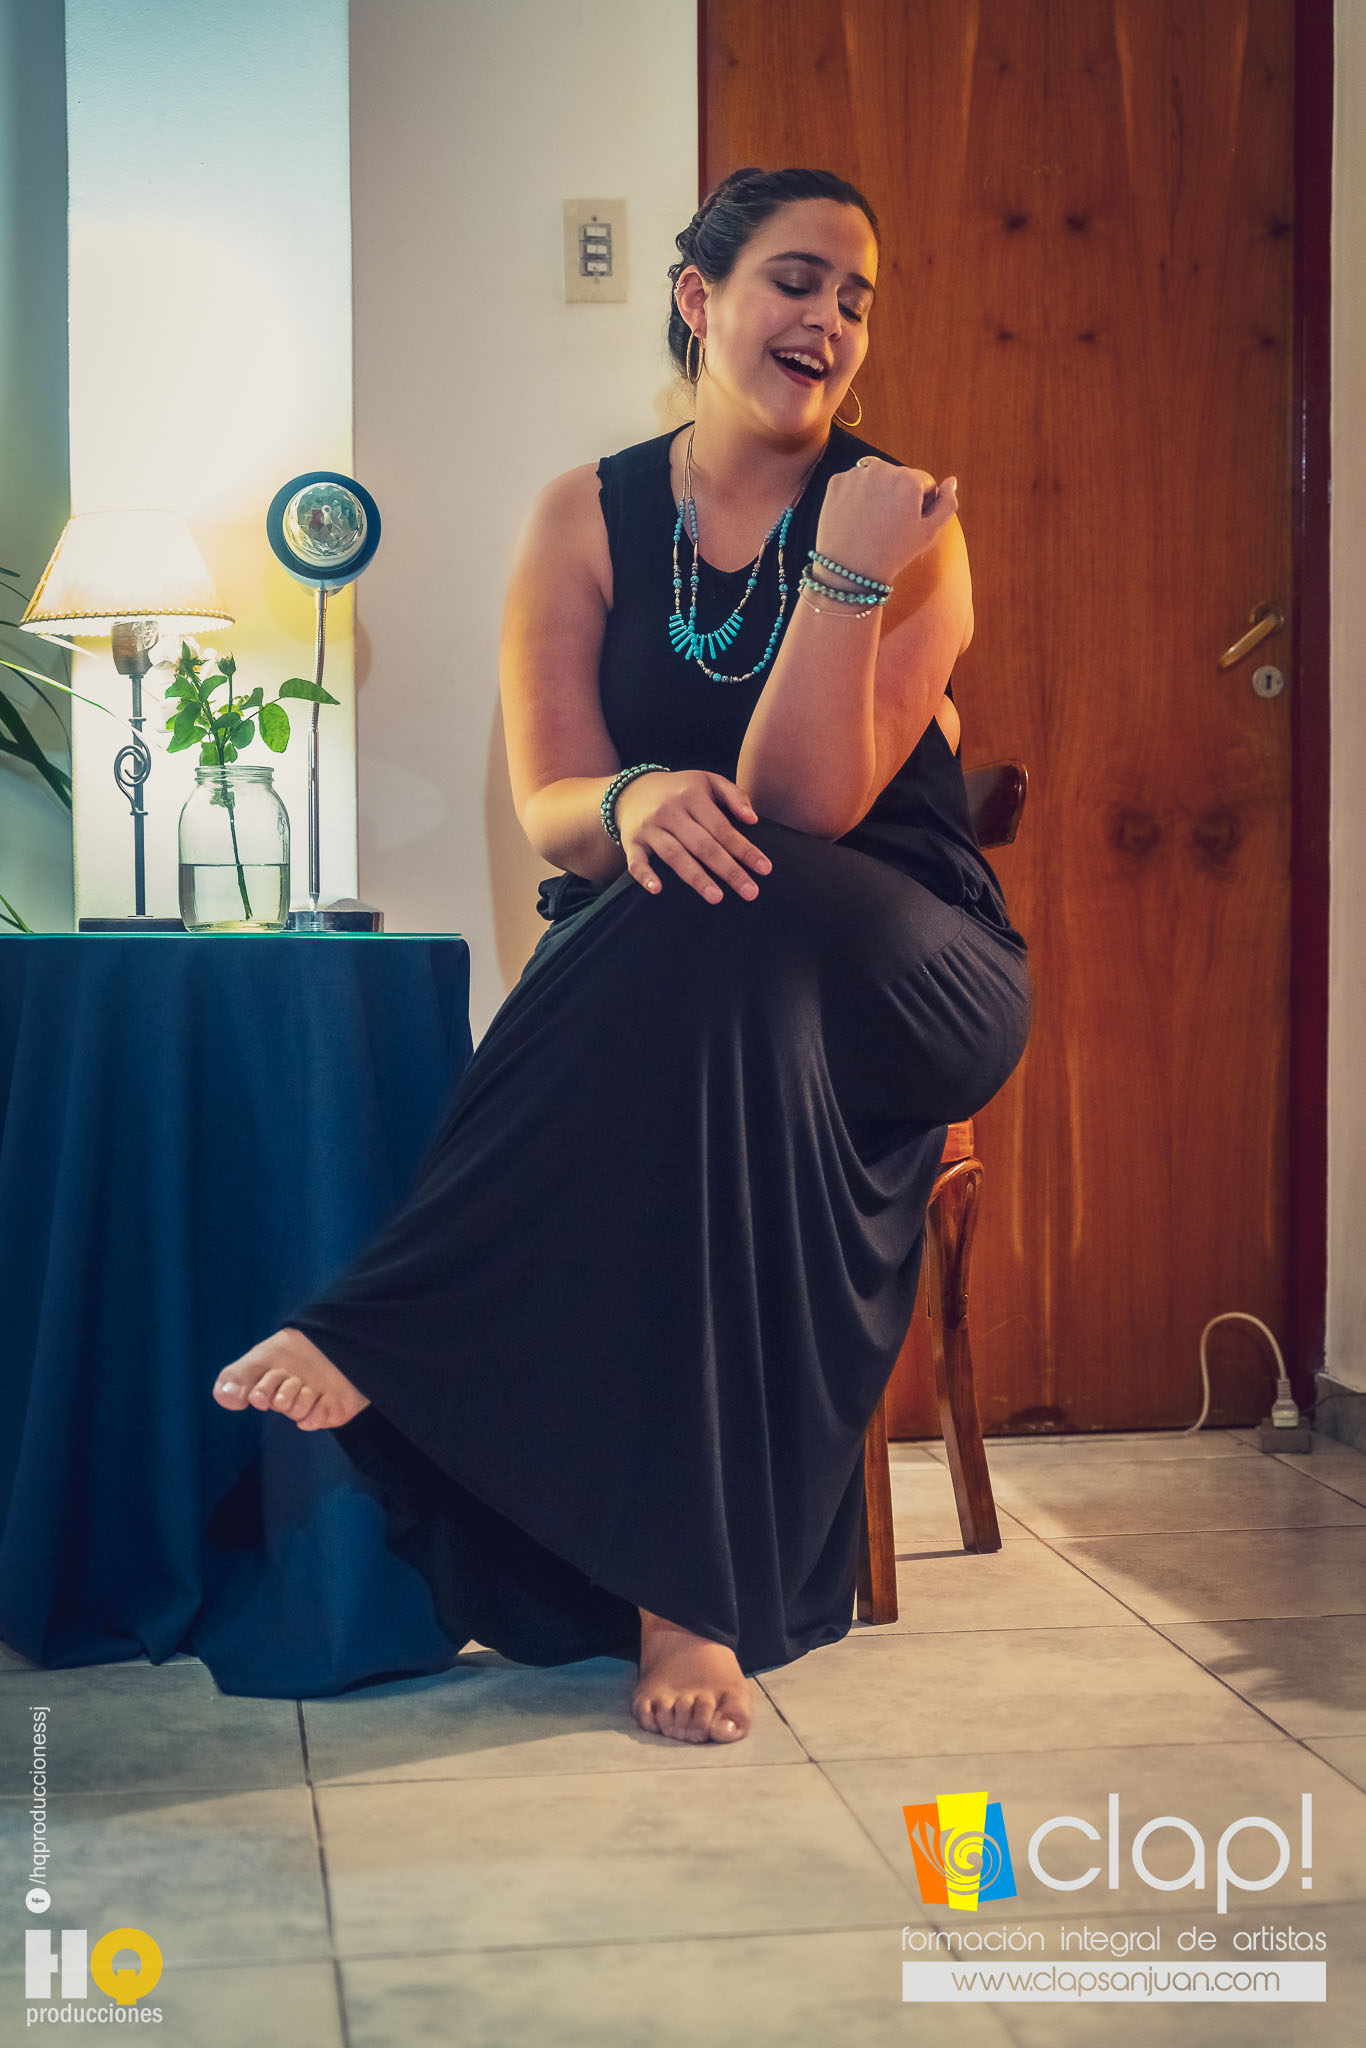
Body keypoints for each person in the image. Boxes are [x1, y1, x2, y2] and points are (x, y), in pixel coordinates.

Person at [212, 166, 1031, 1747]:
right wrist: (630, 797)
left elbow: (800, 815)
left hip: (908, 970)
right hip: (708, 997)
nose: (829, 320)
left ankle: (385, 1325)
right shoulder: (584, 516)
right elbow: (553, 803)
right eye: (795, 279)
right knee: (687, 947)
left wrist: (843, 571)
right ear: (697, 297)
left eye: (856, 299)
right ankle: (683, 1599)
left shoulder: (903, 521)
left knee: (719, 886)